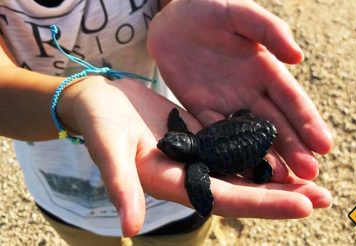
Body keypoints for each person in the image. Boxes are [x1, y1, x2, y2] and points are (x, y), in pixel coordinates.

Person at [0, 0, 333, 245]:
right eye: (171, 144)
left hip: (175, 209)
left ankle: (258, 171)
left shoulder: (196, 166)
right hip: (65, 197)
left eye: (171, 143)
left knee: (218, 199)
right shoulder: (194, 157)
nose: (166, 143)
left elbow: (184, 145)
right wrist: (76, 101)